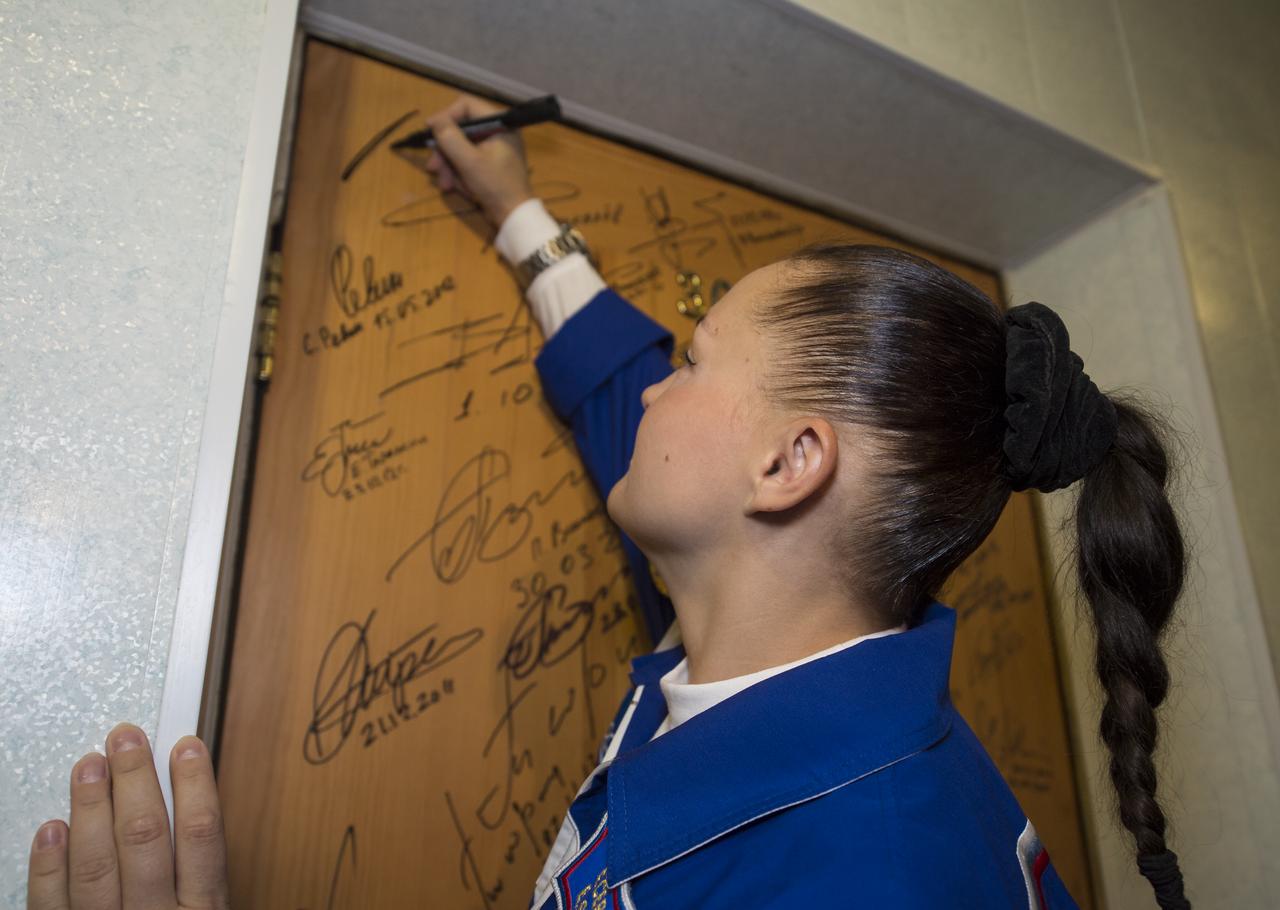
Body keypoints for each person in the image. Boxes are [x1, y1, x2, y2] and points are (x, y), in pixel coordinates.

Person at [26, 94, 1193, 910]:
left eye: (694, 357)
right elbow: (617, 386)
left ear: (788, 467)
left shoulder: (870, 876)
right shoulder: (766, 655)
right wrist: (517, 216)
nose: (656, 391)